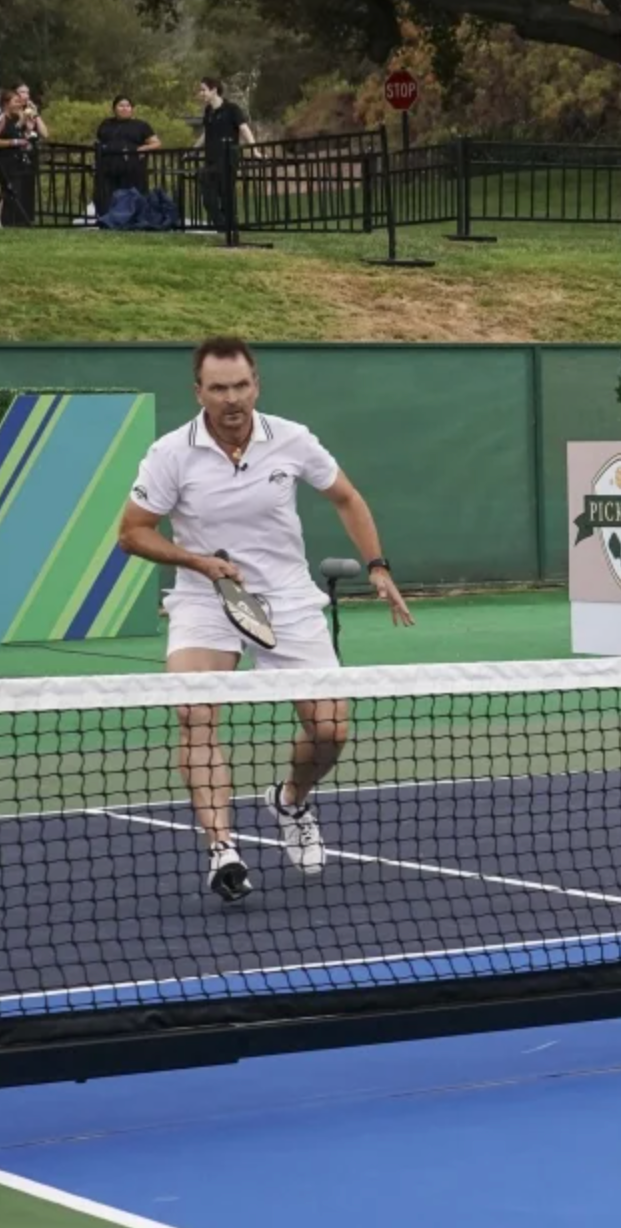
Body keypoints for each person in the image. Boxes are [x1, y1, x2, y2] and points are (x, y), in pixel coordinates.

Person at [114, 337, 416, 902]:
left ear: (257, 384)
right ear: (198, 391)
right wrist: (197, 562)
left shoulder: (292, 440)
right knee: (194, 711)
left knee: (331, 730)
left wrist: (377, 567)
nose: (232, 399)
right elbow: (132, 532)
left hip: (288, 598)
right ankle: (222, 850)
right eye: (219, 388)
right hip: (208, 598)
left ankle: (290, 800)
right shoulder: (170, 454)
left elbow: (347, 497)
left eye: (241, 386)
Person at [195, 78, 254, 235]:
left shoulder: (232, 109)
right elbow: (206, 133)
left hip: (228, 157)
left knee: (226, 193)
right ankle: (223, 226)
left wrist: (254, 149)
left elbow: (244, 129)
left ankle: (229, 227)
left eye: (203, 89)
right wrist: (193, 150)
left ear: (214, 90)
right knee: (208, 194)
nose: (201, 93)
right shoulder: (208, 111)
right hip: (211, 158)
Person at [0, 84, 48, 226]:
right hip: (4, 161)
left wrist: (27, 129)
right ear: (6, 104)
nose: (19, 104)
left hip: (16, 160)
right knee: (10, 190)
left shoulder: (16, 119)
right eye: (15, 102)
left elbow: (25, 135)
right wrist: (13, 142)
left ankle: (13, 221)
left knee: (13, 192)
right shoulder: (2, 118)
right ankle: (7, 222)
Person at [93, 96, 164, 204]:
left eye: (128, 106)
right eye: (121, 106)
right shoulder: (106, 124)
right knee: (107, 200)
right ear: (114, 109)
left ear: (132, 109)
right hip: (108, 169)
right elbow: (100, 141)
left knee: (131, 202)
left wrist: (143, 148)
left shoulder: (141, 125)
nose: (125, 108)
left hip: (132, 170)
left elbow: (157, 143)